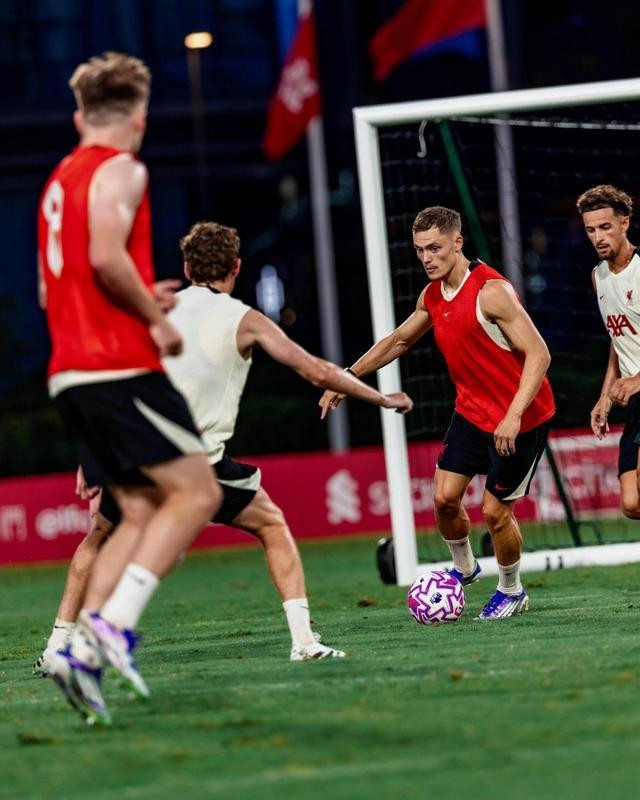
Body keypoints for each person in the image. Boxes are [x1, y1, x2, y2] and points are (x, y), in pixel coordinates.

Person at [33, 220, 414, 677]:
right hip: (197, 463)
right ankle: (304, 642)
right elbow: (315, 371)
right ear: (236, 267)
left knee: (99, 536)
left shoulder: (154, 310)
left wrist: (91, 455)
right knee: (271, 524)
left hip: (134, 451)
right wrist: (380, 398)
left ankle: (58, 646)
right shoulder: (244, 319)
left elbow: (112, 380)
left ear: (186, 268)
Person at [37, 52, 223, 725]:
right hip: (118, 366)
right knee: (198, 493)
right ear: (140, 118)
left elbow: (54, 289)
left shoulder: (58, 182)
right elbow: (105, 257)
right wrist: (154, 320)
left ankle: (79, 652)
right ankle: (109, 631)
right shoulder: (122, 167)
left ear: (78, 115)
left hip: (70, 373)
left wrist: (143, 295)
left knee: (139, 511)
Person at [320, 206, 555, 619]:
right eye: (419, 250)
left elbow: (539, 353)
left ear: (457, 242)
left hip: (521, 418)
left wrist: (514, 415)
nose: (426, 258)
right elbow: (398, 341)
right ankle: (464, 570)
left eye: (434, 248)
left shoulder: (490, 291)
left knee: (495, 512)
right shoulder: (432, 295)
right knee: (444, 499)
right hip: (471, 414)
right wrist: (347, 377)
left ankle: (512, 590)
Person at [577, 184, 640, 517]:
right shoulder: (598, 276)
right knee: (631, 504)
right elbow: (618, 340)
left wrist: (637, 379)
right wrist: (605, 397)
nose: (598, 237)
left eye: (605, 227)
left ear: (624, 223)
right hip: (635, 402)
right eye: (591, 230)